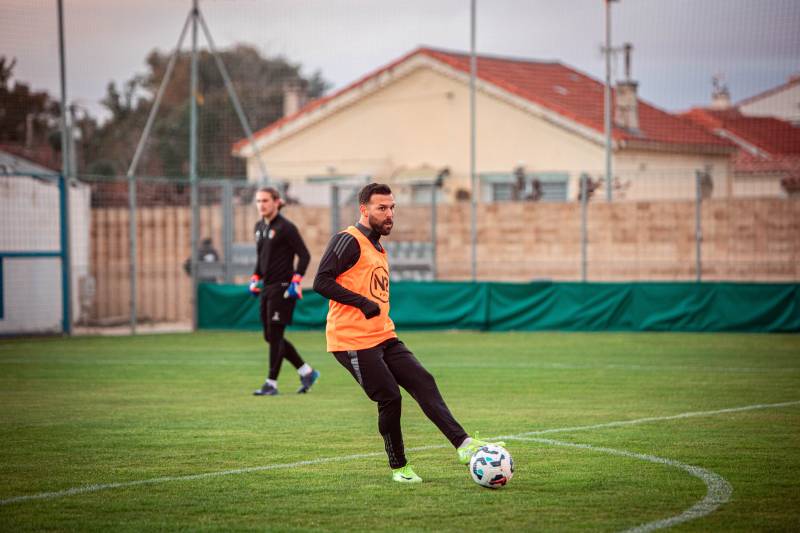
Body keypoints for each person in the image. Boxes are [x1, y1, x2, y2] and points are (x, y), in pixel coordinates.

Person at [313, 183, 503, 483]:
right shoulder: (347, 240)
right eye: (381, 208)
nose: (389, 214)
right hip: (351, 340)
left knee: (422, 380)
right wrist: (362, 303)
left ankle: (464, 446)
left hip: (383, 335)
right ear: (364, 209)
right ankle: (399, 468)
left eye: (392, 208)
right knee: (390, 396)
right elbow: (321, 282)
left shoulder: (377, 246)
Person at [249, 186, 319, 396]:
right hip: (267, 289)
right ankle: (306, 371)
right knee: (270, 336)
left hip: (283, 289)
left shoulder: (286, 227)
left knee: (276, 335)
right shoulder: (259, 227)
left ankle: (271, 383)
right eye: (259, 201)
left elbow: (304, 255)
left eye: (266, 201)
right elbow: (261, 259)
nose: (261, 205)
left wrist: (296, 279)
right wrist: (255, 277)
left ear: (277, 202)